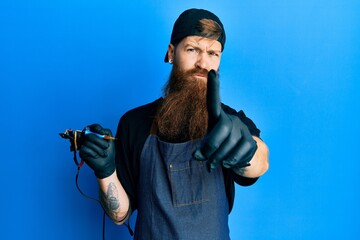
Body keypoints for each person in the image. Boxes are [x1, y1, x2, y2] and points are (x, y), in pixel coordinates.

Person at [79, 8, 269, 240]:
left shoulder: (229, 121)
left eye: (213, 53)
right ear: (171, 52)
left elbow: (260, 162)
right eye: (192, 49)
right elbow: (119, 215)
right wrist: (105, 171)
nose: (203, 62)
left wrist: (244, 148)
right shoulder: (134, 123)